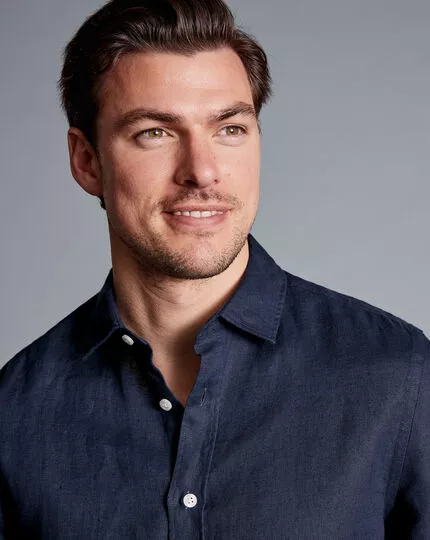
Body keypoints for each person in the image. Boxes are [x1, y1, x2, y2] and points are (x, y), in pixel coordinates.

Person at [1, 0, 429, 537]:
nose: (202, 172)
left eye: (229, 128)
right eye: (155, 132)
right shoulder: (15, 411)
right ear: (87, 161)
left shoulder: (400, 375)